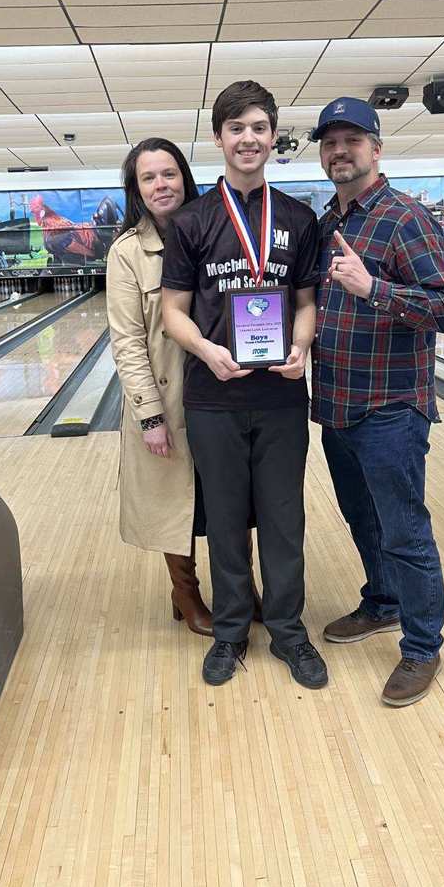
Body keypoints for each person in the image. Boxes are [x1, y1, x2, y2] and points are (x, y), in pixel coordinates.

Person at [161, 81, 328, 689]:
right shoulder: (191, 221)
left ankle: (289, 631)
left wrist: (302, 345)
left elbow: (306, 301)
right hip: (213, 396)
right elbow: (172, 311)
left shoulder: (298, 217)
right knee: (226, 520)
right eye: (237, 129)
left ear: (273, 136)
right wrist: (208, 351)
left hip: (281, 395)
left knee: (284, 520)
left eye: (259, 127)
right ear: (219, 138)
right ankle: (231, 633)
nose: (248, 139)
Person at [310, 97, 444, 707]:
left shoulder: (406, 219)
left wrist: (374, 287)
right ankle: (383, 603)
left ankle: (422, 647)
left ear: (377, 148)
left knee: (404, 530)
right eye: (329, 143)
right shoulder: (327, 223)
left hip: (391, 408)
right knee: (363, 519)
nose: (339, 151)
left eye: (352, 140)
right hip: (338, 406)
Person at [106, 138, 260, 637]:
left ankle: (241, 589)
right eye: (148, 178)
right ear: (136, 189)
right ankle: (185, 593)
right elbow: (127, 341)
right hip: (169, 400)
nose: (160, 185)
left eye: (168, 174)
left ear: (184, 178)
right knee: (179, 502)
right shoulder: (128, 253)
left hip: (223, 391)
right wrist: (149, 415)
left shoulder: (216, 231)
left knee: (234, 497)